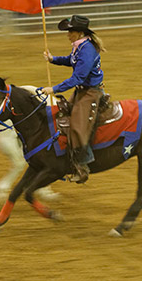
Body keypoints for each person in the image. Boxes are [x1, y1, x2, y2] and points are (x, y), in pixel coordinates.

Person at [42, 15, 106, 183]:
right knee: (62, 115)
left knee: (77, 125)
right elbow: (71, 61)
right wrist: (53, 59)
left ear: (79, 33)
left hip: (91, 92)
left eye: (70, 31)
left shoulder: (87, 49)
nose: (67, 34)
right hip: (82, 91)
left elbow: (78, 77)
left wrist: (53, 89)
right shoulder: (80, 46)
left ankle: (83, 166)